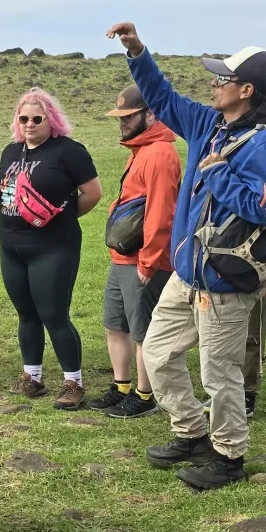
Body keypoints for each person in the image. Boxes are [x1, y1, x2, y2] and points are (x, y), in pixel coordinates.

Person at [104, 24, 266, 491]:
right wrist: (137, 52)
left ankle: (229, 456)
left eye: (223, 78)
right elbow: (163, 100)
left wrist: (220, 177)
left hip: (224, 282)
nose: (213, 83)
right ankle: (190, 432)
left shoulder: (263, 142)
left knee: (218, 373)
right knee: (162, 354)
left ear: (246, 91)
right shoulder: (210, 124)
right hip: (188, 274)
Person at [0, 88, 102, 409]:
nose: (29, 124)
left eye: (37, 119)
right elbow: (3, 191)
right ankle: (33, 377)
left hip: (54, 246)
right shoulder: (11, 151)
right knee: (26, 313)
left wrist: (62, 218)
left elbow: (92, 193)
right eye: (23, 118)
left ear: (50, 119)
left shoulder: (69, 151)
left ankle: (74, 383)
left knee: (54, 314)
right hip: (12, 245)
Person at [93, 84, 180, 418]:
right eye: (121, 116)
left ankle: (145, 396)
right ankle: (122, 386)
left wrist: (149, 260)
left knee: (144, 330)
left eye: (129, 116)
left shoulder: (159, 153)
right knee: (116, 324)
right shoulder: (143, 150)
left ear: (151, 113)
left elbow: (161, 212)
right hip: (124, 257)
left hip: (143, 259)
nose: (122, 122)